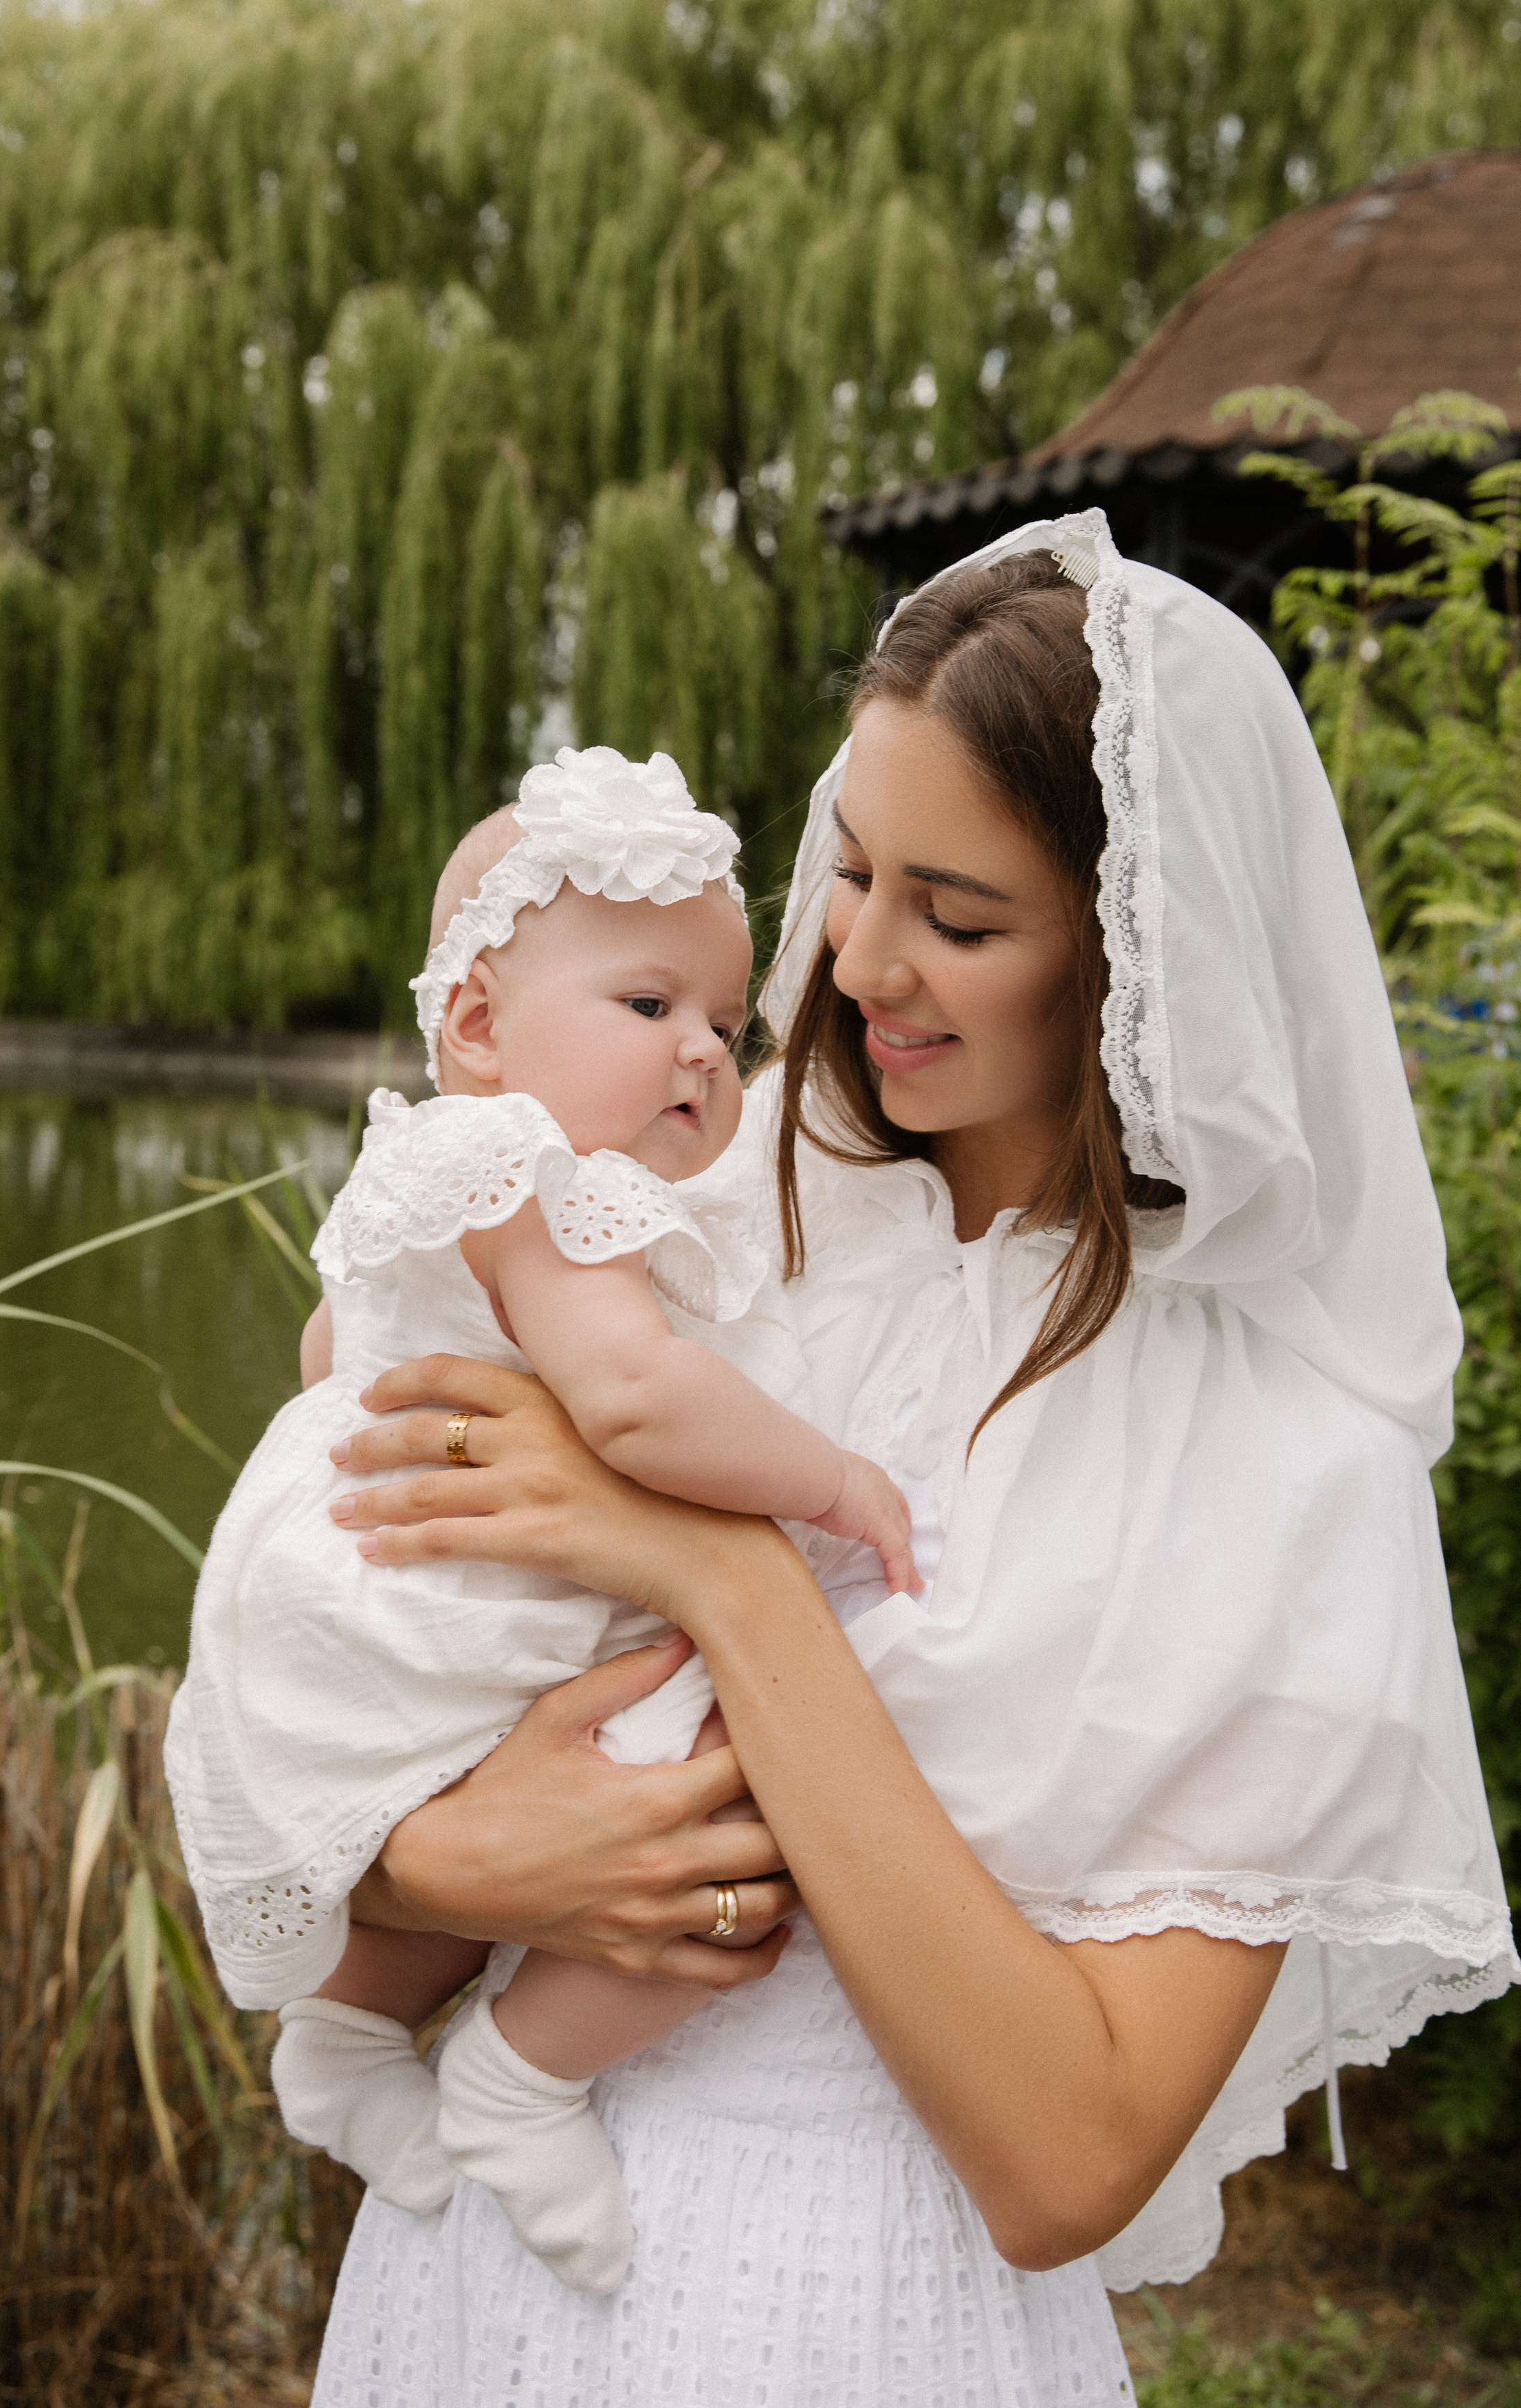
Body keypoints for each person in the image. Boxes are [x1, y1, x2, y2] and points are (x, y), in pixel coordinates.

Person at [299, 514, 1517, 2408]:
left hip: (871, 2313)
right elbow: (320, 1650)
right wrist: (442, 1854)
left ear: (1139, 955)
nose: (859, 957)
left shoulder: (1291, 1468)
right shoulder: (670, 1210)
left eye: (959, 913)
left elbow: (1066, 2155)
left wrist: (729, 1573)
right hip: (477, 2282)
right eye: (854, 867)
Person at [164, 745, 916, 2295]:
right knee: (724, 1813)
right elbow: (634, 1401)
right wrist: (836, 1482)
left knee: (492, 1779)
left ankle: (347, 2031)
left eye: (721, 1020)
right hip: (456, 1589)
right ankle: (519, 2069)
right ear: (481, 1024)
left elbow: (329, 1358)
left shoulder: (437, 1165)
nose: (702, 1053)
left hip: (358, 1578)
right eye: (647, 1007)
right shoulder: (532, 1168)